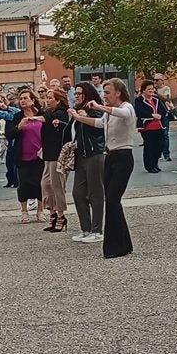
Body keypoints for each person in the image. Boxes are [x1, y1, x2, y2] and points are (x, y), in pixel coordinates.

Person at [68, 78, 136, 259]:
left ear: (118, 93)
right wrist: (78, 117)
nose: (104, 96)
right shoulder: (107, 113)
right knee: (113, 201)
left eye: (107, 92)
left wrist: (99, 107)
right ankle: (124, 243)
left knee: (113, 200)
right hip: (110, 157)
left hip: (123, 157)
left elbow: (123, 115)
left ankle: (115, 245)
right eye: (104, 92)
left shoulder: (127, 107)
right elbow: (99, 124)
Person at [70, 82, 105, 244]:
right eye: (75, 93)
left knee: (95, 193)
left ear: (87, 95)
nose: (76, 96)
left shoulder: (95, 109)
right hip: (81, 155)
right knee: (78, 192)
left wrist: (84, 117)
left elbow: (99, 127)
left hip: (94, 153)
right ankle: (86, 228)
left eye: (79, 93)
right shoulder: (77, 110)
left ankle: (97, 230)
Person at [5, 90, 45, 223]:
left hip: (40, 156)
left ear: (32, 100)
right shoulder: (16, 116)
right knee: (23, 184)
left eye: (25, 98)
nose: (22, 101)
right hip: (22, 156)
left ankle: (40, 211)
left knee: (40, 184)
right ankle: (24, 211)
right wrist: (19, 127)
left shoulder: (41, 115)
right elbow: (9, 134)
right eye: (21, 98)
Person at [40, 88, 72, 232]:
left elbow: (46, 118)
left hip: (58, 155)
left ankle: (60, 215)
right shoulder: (48, 113)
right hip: (48, 154)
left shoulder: (61, 113)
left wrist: (34, 118)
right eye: (46, 97)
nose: (47, 99)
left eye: (50, 97)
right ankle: (52, 211)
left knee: (57, 185)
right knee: (45, 184)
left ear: (58, 100)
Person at [135, 79, 169, 173]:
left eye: (152, 89)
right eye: (149, 89)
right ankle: (149, 166)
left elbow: (163, 110)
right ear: (143, 90)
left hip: (158, 125)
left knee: (160, 145)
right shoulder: (139, 100)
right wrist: (151, 115)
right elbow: (139, 111)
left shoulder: (156, 99)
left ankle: (155, 163)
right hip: (147, 127)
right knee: (150, 146)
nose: (151, 90)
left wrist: (160, 115)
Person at [153, 73, 176, 162]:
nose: (155, 82)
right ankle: (157, 153)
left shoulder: (166, 89)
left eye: (157, 80)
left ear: (162, 81)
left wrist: (156, 93)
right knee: (156, 135)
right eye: (154, 80)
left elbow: (166, 98)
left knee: (164, 134)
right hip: (155, 114)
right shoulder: (151, 89)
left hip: (164, 114)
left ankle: (166, 154)